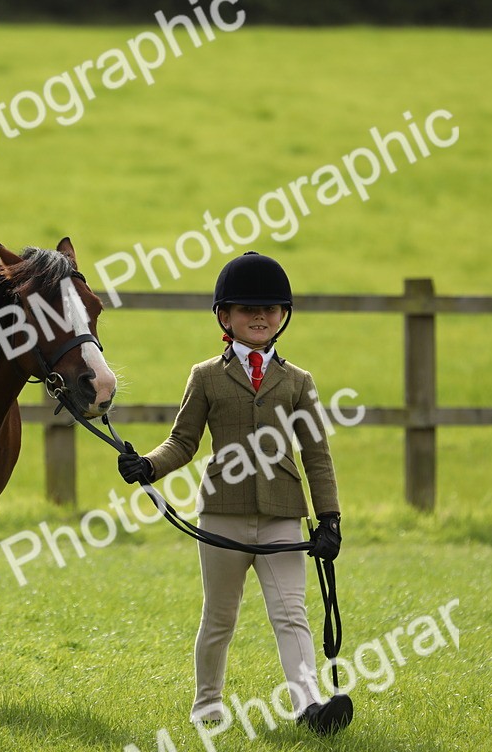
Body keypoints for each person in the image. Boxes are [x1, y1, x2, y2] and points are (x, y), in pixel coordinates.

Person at [117, 251, 353, 736]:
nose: (260, 317)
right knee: (219, 618)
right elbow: (183, 442)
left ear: (283, 317)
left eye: (269, 309)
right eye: (248, 309)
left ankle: (309, 705)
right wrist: (148, 466)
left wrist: (328, 518)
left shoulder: (298, 382)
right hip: (222, 515)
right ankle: (206, 705)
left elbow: (317, 455)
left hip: (284, 516)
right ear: (225, 317)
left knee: (292, 616)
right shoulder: (205, 376)